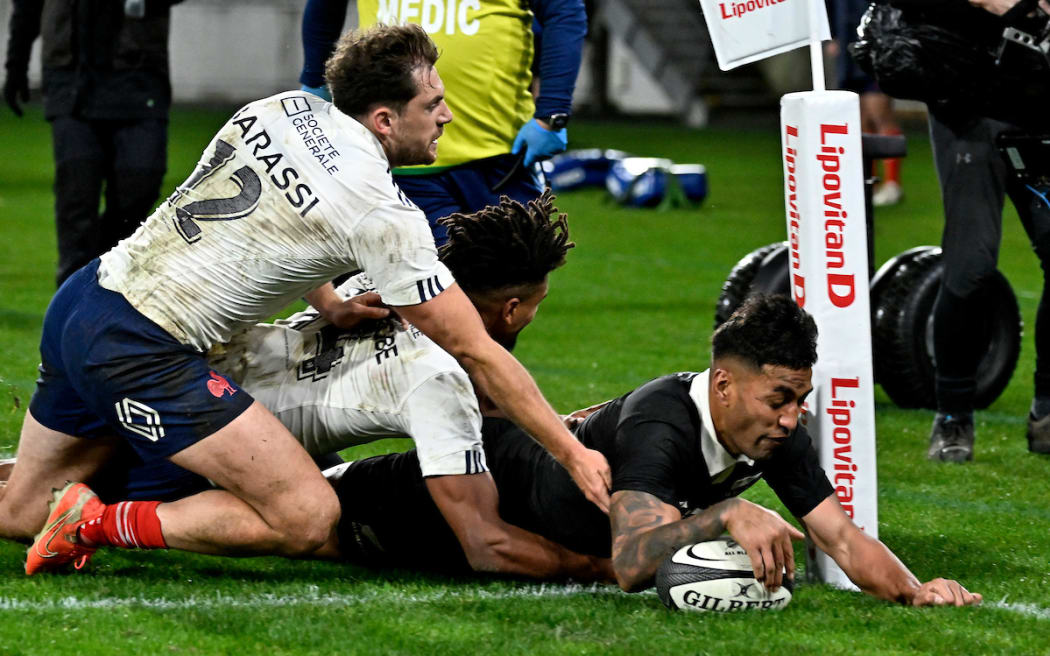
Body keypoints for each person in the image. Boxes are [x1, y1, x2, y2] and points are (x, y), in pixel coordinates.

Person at [1, 24, 610, 576]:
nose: (447, 116)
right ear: (384, 119)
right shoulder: (378, 207)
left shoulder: (282, 108)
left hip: (87, 297)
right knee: (306, 514)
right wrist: (572, 454)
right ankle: (95, 524)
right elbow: (475, 350)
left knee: (21, 512)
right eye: (433, 104)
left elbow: (266, 218)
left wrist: (329, 302)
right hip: (144, 349)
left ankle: (67, 514)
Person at [324, 295, 982, 606]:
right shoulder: (660, 424)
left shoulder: (774, 432)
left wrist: (914, 591)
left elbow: (841, 536)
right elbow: (634, 561)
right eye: (779, 397)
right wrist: (727, 516)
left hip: (519, 538)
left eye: (800, 398)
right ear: (724, 384)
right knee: (311, 521)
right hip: (451, 495)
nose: (793, 416)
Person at [299, 0, 587, 245]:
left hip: (502, 160)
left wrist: (552, 112)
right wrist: (315, 81)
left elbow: (564, 10)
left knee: (513, 294)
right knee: (418, 296)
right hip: (396, 162)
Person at [925, 0, 1050, 461]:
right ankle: (954, 414)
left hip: (1041, 100)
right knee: (971, 264)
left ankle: (1047, 411)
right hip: (971, 106)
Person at [3, 0, 182, 286]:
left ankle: (106, 266)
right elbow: (27, 5)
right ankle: (72, 301)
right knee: (77, 196)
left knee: (140, 183)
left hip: (140, 74)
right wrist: (16, 63)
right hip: (71, 78)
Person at [828, 0, 904, 206]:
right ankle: (868, 184)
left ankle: (892, 184)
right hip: (847, 43)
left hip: (878, 44)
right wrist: (833, 34)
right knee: (857, 117)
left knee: (879, 111)